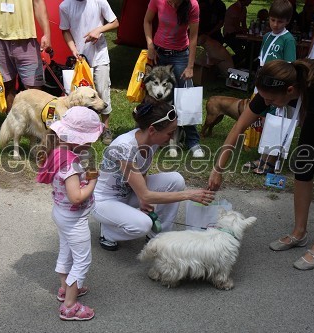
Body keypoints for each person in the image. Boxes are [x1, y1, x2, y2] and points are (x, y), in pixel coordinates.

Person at [209, 59, 314, 270]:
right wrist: (218, 170)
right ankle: (299, 233)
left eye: (270, 100)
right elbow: (239, 127)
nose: (266, 104)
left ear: (289, 90)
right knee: (303, 166)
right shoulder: (275, 85)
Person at [92, 101, 216, 251]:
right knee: (143, 224)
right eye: (170, 133)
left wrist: (143, 199)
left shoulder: (153, 141)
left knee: (175, 180)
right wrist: (188, 195)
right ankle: (109, 232)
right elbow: (146, 196)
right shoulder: (124, 147)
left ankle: (159, 237)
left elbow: (142, 172)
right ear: (152, 130)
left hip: (129, 192)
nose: (172, 138)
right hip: (104, 201)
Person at [36, 106, 103, 321]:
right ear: (81, 140)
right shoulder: (71, 164)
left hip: (61, 213)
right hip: (73, 219)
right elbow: (76, 196)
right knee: (82, 261)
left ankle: (65, 288)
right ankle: (70, 306)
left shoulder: (58, 153)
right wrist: (93, 180)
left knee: (66, 251)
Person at [144, 0, 205, 158]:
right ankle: (154, 136)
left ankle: (192, 140)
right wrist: (150, 46)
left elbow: (193, 37)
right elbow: (147, 21)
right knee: (156, 97)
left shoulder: (193, 5)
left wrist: (190, 66)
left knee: (186, 98)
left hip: (180, 55)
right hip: (158, 52)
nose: (174, 3)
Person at [244, 0, 297, 175]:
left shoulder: (288, 39)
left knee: (275, 122)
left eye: (280, 21)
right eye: (273, 20)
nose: (275, 24)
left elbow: (289, 67)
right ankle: (263, 157)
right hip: (263, 86)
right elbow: (262, 61)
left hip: (277, 88)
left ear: (287, 21)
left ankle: (271, 160)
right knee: (265, 120)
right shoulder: (266, 36)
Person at [0, 0, 51, 113]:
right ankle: (12, 125)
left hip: (26, 38)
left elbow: (38, 3)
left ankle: (36, 126)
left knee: (34, 88)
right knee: (5, 87)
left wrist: (46, 33)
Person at [59, 0, 119, 145]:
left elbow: (115, 23)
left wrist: (98, 30)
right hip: (80, 58)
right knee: (79, 96)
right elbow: (65, 30)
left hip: (100, 55)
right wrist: (73, 49)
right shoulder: (65, 6)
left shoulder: (99, 1)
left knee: (102, 91)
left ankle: (106, 129)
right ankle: (81, 127)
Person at [223, 0, 253, 67]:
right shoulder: (234, 8)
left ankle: (246, 65)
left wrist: (247, 33)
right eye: (249, 0)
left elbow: (243, 24)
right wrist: (248, 30)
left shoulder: (244, 9)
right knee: (240, 53)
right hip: (229, 34)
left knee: (250, 46)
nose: (250, 2)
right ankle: (228, 64)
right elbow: (236, 26)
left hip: (238, 34)